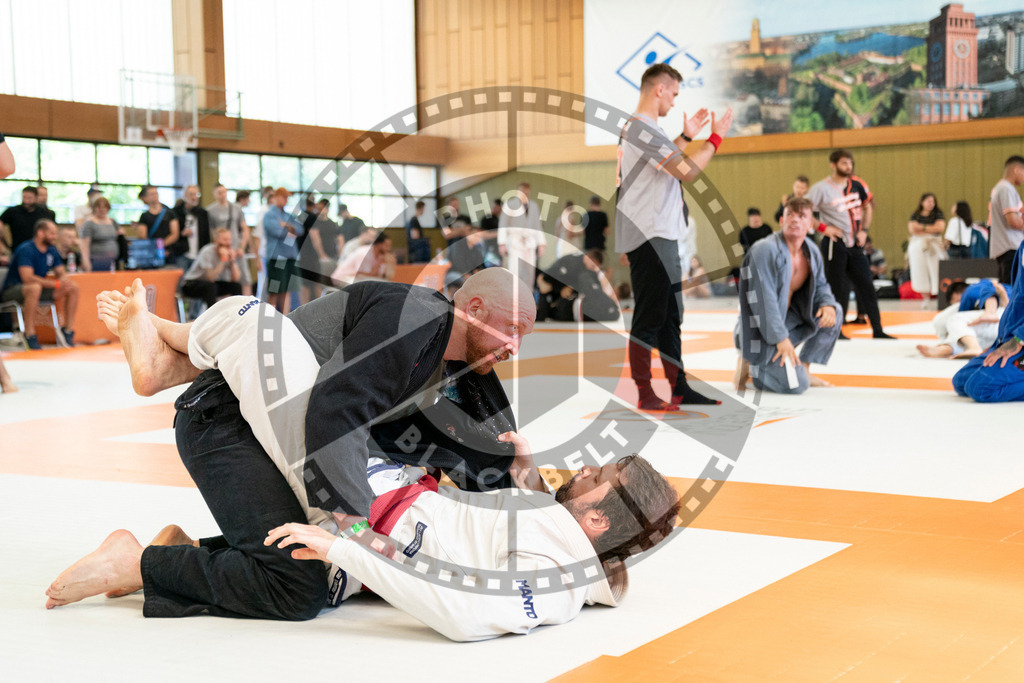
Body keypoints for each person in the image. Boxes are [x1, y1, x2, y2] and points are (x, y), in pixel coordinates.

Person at [46, 284, 678, 640]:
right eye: (509, 332)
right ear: (475, 312)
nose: (580, 475)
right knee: (297, 584)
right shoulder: (422, 323)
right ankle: (174, 347)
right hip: (229, 420)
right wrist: (354, 533)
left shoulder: (558, 565)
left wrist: (355, 541)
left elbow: (475, 591)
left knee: (307, 577)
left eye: (592, 480)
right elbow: (331, 415)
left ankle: (173, 557)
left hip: (351, 475)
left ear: (598, 522)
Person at [615, 62, 733, 409]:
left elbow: (660, 167)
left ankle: (678, 386)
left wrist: (686, 138)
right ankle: (645, 392)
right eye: (674, 94)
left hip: (659, 233)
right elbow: (684, 170)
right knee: (651, 316)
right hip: (651, 235)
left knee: (670, 316)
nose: (674, 103)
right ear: (659, 89)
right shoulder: (643, 129)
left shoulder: (642, 129)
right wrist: (715, 138)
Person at [734, 197, 842, 394]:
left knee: (835, 311)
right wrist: (780, 338)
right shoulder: (765, 249)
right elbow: (763, 301)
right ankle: (755, 369)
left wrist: (827, 304)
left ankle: (805, 369)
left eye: (802, 216)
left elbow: (821, 285)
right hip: (760, 330)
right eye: (790, 214)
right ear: (782, 221)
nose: (795, 220)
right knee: (796, 385)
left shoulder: (811, 251)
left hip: (787, 322)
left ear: (810, 225)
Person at [807, 149, 893, 339]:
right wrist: (823, 228)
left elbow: (868, 206)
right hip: (834, 243)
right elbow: (804, 211)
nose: (848, 166)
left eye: (850, 163)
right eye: (844, 163)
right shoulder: (821, 188)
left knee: (867, 285)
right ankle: (835, 330)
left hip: (855, 244)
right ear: (833, 164)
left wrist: (865, 230)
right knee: (837, 288)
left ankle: (878, 329)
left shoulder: (857, 184)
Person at [953, 241, 1024, 402]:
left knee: (981, 388)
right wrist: (1002, 341)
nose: (1019, 213)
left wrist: (1019, 338)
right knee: (961, 382)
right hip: (1009, 334)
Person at [0, 219, 79, 349]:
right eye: (52, 233)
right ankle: (30, 333)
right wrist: (55, 284)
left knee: (73, 287)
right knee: (34, 287)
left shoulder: (52, 250)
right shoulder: (26, 249)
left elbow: (61, 272)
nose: (55, 236)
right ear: (40, 233)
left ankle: (68, 331)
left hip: (38, 289)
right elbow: (28, 278)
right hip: (13, 290)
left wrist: (64, 280)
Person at [917, 280, 1007, 359]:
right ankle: (947, 349)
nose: (958, 304)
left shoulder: (972, 290)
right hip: (1003, 335)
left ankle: (966, 348)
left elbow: (939, 323)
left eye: (956, 302)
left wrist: (989, 312)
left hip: (1002, 321)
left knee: (955, 320)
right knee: (968, 335)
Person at [536, 249, 619, 322]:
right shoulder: (571, 262)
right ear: (587, 258)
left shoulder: (587, 271)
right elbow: (549, 277)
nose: (593, 269)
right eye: (593, 266)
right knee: (543, 312)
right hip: (549, 284)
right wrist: (560, 289)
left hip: (566, 291)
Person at [497, 182, 546, 291]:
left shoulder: (534, 206)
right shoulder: (510, 204)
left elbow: (537, 225)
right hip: (515, 243)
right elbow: (503, 224)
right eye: (522, 191)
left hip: (530, 243)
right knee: (515, 271)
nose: (525, 193)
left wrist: (542, 243)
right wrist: (502, 243)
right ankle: (514, 297)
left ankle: (528, 300)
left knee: (529, 273)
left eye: (527, 191)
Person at [262, 187, 304, 313]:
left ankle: (286, 316)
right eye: (283, 197)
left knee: (288, 289)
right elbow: (277, 231)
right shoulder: (269, 215)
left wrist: (286, 226)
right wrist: (289, 230)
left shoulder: (287, 216)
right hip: (276, 257)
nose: (285, 200)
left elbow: (300, 230)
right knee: (275, 290)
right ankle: (269, 317)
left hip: (290, 256)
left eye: (287, 198)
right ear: (275, 197)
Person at [180, 227, 244, 308]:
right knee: (211, 287)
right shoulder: (207, 251)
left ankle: (238, 313)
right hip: (191, 284)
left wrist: (232, 261)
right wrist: (223, 259)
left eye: (229, 240)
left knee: (236, 286)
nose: (228, 243)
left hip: (210, 285)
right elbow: (211, 278)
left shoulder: (229, 251)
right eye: (224, 240)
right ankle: (213, 318)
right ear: (216, 240)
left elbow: (236, 278)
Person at [206, 184, 251, 295]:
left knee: (245, 279)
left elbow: (245, 229)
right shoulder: (210, 211)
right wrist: (219, 249)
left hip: (237, 249)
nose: (222, 195)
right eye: (219, 192)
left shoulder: (236, 208)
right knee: (226, 281)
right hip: (223, 250)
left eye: (224, 192)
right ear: (214, 195)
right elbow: (212, 232)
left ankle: (249, 305)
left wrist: (242, 247)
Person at [988, 156, 1024, 285]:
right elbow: (1013, 221)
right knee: (1011, 288)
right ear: (1016, 170)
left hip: (1003, 247)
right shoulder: (1007, 189)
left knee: (1006, 287)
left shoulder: (999, 188)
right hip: (1010, 246)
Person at [907, 192, 947, 302]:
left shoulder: (938, 213)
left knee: (936, 269)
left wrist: (921, 227)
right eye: (929, 201)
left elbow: (939, 228)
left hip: (933, 243)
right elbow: (912, 229)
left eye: (933, 202)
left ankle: (938, 294)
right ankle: (925, 297)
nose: (931, 204)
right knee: (919, 269)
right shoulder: (916, 214)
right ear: (922, 202)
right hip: (917, 244)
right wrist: (930, 228)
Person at [331, 232, 396, 285]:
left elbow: (385, 277)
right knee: (374, 285)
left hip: (357, 277)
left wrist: (390, 264)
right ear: (379, 244)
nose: (389, 249)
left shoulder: (380, 256)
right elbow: (362, 274)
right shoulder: (364, 253)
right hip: (343, 277)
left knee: (384, 284)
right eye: (386, 246)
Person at [169, 185, 209, 271]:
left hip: (199, 253)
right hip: (181, 253)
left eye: (196, 194)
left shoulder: (203, 213)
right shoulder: (175, 212)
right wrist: (181, 233)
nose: (194, 197)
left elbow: (206, 235)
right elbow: (171, 233)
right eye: (191, 194)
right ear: (184, 196)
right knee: (181, 279)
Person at [78, 197, 122, 272]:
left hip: (113, 260)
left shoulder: (113, 222)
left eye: (104, 207)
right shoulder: (89, 223)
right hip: (96, 260)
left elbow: (120, 234)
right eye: (99, 207)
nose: (102, 209)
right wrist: (86, 261)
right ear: (94, 208)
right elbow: (84, 245)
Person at [1, 186, 45, 256]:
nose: (26, 201)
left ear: (36, 198)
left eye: (30, 198)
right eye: (24, 197)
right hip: (17, 249)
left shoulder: (44, 213)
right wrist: (4, 242)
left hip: (39, 251)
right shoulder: (12, 211)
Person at [135, 185, 180, 253]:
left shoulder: (169, 213)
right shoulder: (144, 216)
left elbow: (175, 234)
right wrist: (154, 248)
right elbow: (142, 236)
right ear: (145, 197)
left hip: (168, 251)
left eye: (156, 193)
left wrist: (161, 246)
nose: (155, 196)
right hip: (152, 251)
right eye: (152, 194)